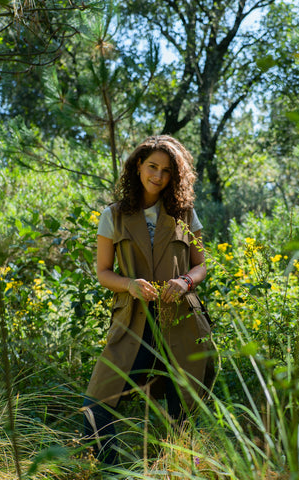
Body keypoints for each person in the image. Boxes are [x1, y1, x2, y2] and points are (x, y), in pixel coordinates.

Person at [82, 135, 214, 464]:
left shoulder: (184, 212)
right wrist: (129, 285)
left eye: (167, 171)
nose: (158, 176)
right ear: (138, 166)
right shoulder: (113, 215)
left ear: (175, 176)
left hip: (182, 322)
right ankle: (109, 471)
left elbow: (201, 266)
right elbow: (103, 272)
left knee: (184, 410)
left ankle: (178, 468)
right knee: (96, 406)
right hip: (133, 322)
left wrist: (184, 281)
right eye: (152, 166)